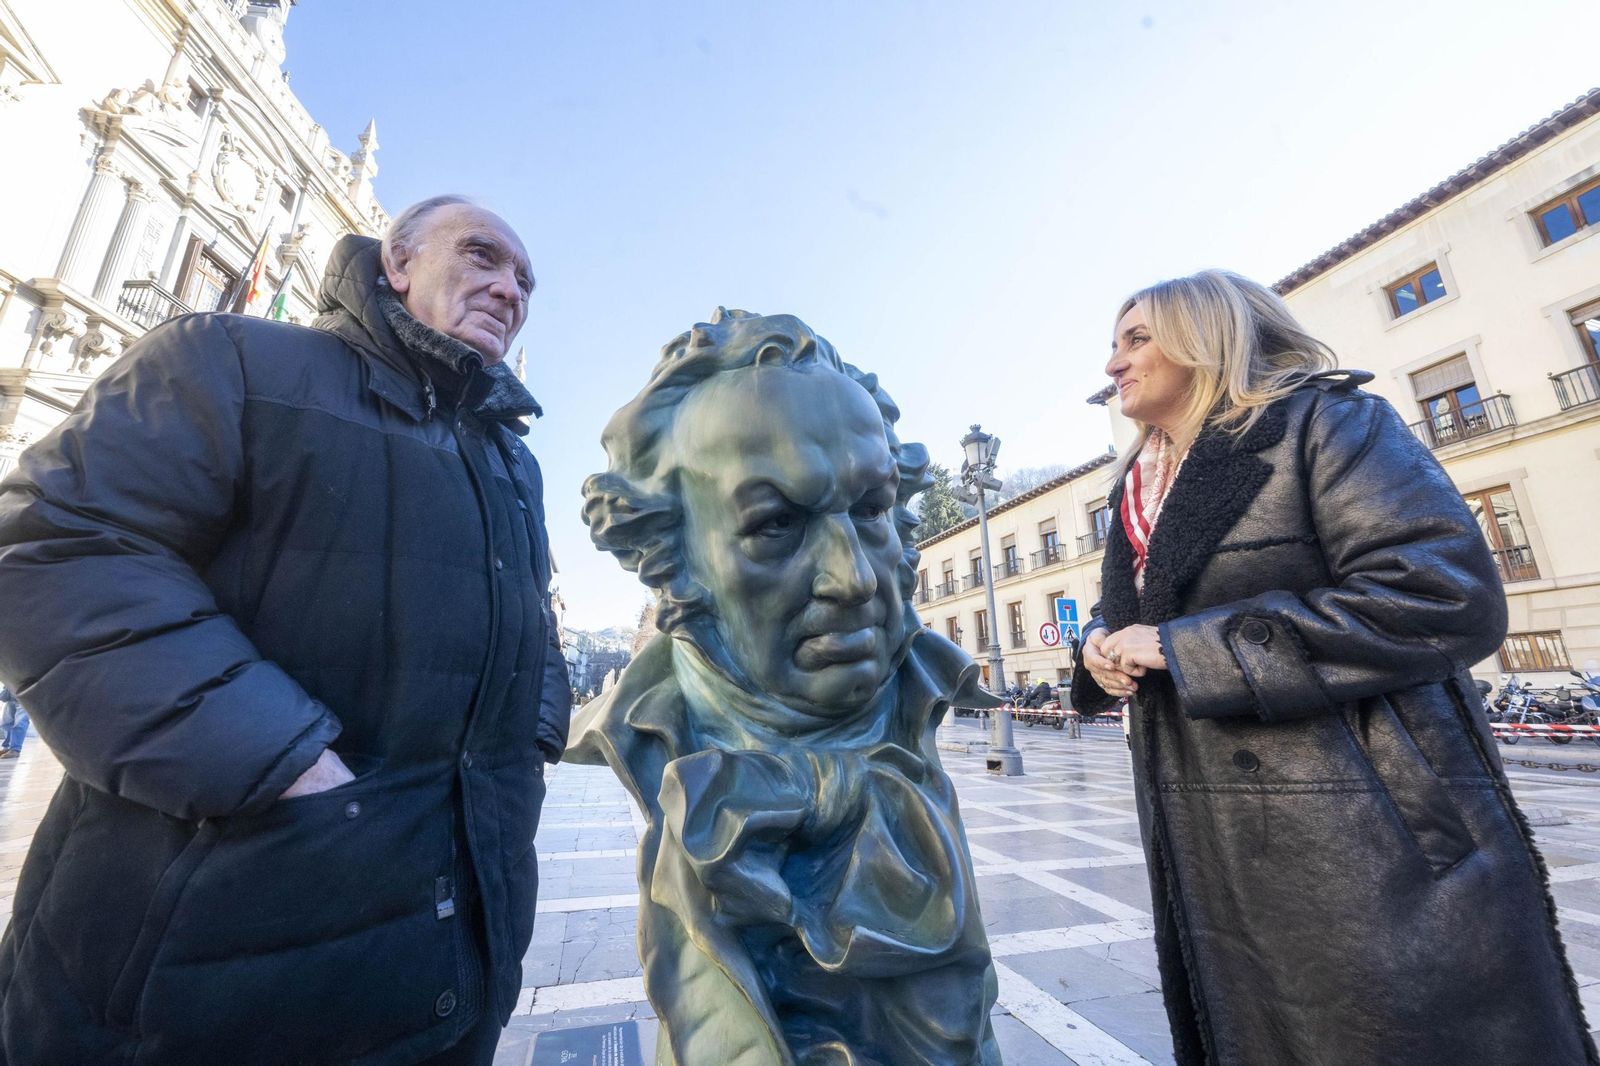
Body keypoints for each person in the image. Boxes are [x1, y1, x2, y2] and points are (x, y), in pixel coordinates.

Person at [0, 196, 571, 1065]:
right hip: (193, 982)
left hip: (451, 979)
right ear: (398, 262)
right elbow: (55, 543)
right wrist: (281, 762)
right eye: (483, 256)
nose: (508, 288)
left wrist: (533, 734)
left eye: (524, 280)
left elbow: (533, 621)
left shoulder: (510, 462)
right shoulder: (229, 360)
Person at [1071, 269, 1595, 1065]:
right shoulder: (1139, 488)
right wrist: (1101, 643)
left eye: (1137, 338)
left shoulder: (1327, 423)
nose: (1112, 364)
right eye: (1115, 343)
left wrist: (1183, 648)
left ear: (1209, 338)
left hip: (1368, 842)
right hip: (1211, 845)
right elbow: (1157, 610)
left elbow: (1445, 595)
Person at [572, 308, 1002, 1064]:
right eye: (775, 525)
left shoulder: (923, 683)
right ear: (670, 551)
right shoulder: (646, 727)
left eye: (871, 510)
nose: (856, 577)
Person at [0, 683, 27, 758]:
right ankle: (7, 748)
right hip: (11, 694)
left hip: (24, 695)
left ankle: (15, 750)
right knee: (5, 723)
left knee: (20, 723)